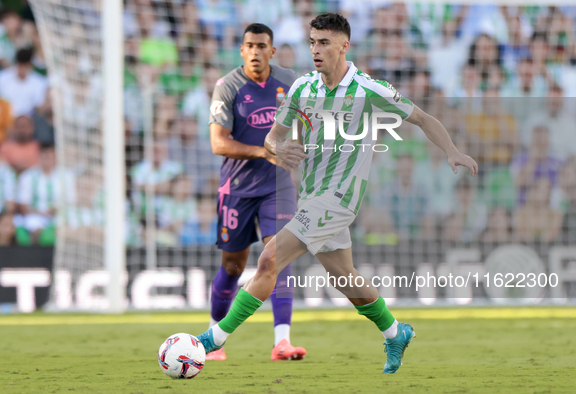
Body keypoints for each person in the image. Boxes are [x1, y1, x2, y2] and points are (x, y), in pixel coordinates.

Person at [196, 13, 478, 374]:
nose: (315, 49)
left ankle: (213, 339)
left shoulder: (368, 89)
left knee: (269, 259)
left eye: (324, 42)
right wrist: (275, 148)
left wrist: (451, 150)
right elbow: (273, 135)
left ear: (344, 45)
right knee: (344, 276)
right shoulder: (302, 88)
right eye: (313, 41)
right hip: (312, 196)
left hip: (341, 199)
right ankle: (395, 332)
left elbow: (423, 118)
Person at [205, 23, 306, 362]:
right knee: (233, 266)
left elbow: (309, 121)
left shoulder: (289, 82)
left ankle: (282, 342)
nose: (255, 51)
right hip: (237, 188)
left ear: (272, 51)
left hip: (277, 186)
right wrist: (265, 150)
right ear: (242, 50)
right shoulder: (228, 86)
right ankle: (215, 339)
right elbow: (218, 143)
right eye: (249, 45)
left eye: (262, 46)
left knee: (278, 255)